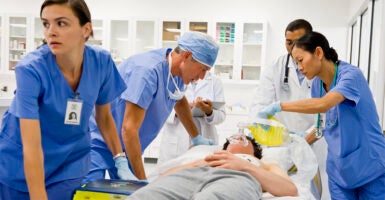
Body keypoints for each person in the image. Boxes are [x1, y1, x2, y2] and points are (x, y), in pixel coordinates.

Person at [0, 0, 127, 199]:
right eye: (46, 24)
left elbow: (104, 118)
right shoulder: (31, 69)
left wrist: (120, 159)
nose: (51, 32)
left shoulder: (101, 62)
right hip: (21, 164)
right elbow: (31, 144)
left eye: (61, 23)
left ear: (86, 29)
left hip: (70, 162)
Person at [258, 31, 385, 199]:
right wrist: (297, 142)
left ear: (318, 53)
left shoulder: (351, 76)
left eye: (301, 60)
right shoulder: (317, 84)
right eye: (296, 63)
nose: (300, 68)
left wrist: (279, 106)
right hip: (339, 171)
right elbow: (322, 126)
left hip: (369, 166)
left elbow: (324, 104)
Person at [85, 31, 220, 182]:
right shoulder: (147, 72)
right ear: (187, 56)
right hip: (99, 142)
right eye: (203, 69)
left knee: (131, 195)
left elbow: (179, 100)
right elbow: (129, 129)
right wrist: (142, 181)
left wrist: (196, 138)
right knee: (90, 193)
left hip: (128, 147)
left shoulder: (177, 73)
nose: (202, 77)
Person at [249, 19, 329, 199]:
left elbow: (325, 117)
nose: (293, 47)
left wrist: (305, 139)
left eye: (298, 41)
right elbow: (260, 104)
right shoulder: (275, 68)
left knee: (314, 189)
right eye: (288, 42)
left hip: (314, 141)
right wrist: (261, 130)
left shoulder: (320, 69)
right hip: (281, 143)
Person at [127, 135, 298, 199]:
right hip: (194, 173)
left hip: (238, 177)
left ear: (253, 151)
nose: (238, 137)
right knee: (145, 196)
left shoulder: (264, 165)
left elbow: (290, 189)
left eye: (243, 138)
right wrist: (198, 163)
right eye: (233, 137)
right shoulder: (203, 158)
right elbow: (161, 177)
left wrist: (245, 166)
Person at [157, 71, 226, 165]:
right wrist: (182, 110)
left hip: (204, 141)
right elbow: (160, 110)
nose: (201, 73)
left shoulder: (215, 82)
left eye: (205, 68)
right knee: (172, 174)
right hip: (176, 143)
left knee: (202, 175)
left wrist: (209, 111)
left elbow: (221, 116)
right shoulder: (173, 80)